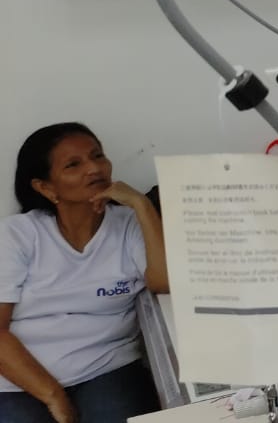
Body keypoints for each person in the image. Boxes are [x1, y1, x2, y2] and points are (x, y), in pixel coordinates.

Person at [1, 123, 168, 423]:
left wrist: (141, 204)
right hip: (20, 380)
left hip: (107, 369)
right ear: (45, 187)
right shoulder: (17, 234)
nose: (94, 168)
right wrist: (53, 395)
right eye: (73, 165)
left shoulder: (129, 223)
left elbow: (164, 282)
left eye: (98, 156)